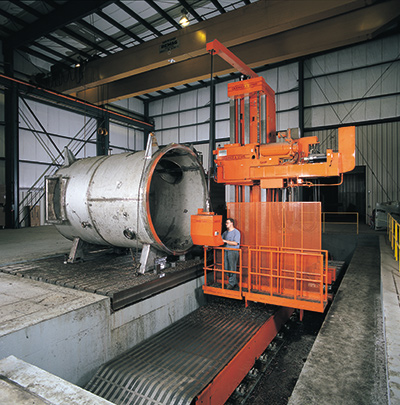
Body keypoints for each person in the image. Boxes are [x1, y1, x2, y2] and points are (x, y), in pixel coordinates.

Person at [221, 218, 241, 290]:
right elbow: (220, 240)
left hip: (233, 251)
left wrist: (225, 241)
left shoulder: (236, 232)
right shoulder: (225, 233)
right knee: (226, 267)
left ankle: (231, 283)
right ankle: (234, 281)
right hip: (226, 251)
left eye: (227, 222)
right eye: (226, 223)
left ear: (232, 223)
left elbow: (235, 243)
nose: (226, 224)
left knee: (232, 268)